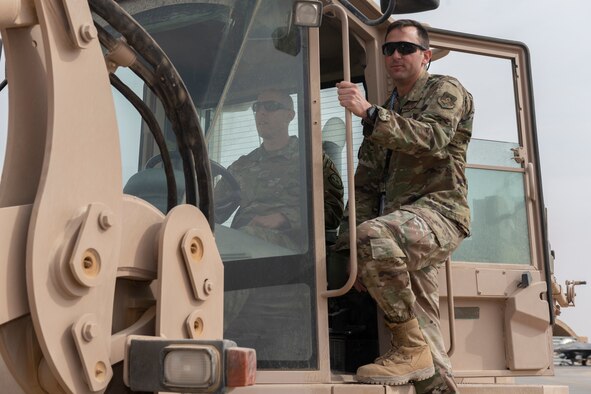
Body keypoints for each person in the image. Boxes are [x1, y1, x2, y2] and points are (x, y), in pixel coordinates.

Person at [335, 19, 474, 393]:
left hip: (440, 213)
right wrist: (352, 251)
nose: (396, 55)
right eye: (389, 49)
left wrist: (368, 113)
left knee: (373, 235)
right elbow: (364, 184)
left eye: (406, 48)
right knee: (427, 337)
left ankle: (408, 347)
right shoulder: (385, 109)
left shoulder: (444, 90)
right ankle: (425, 364)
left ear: (426, 56)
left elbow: (434, 138)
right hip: (402, 229)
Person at [215, 89, 344, 248]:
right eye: (257, 107)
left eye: (270, 106)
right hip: (242, 244)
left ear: (290, 116)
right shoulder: (241, 166)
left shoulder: (311, 160)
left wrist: (284, 218)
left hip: (292, 251)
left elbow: (333, 212)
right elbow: (211, 211)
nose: (261, 112)